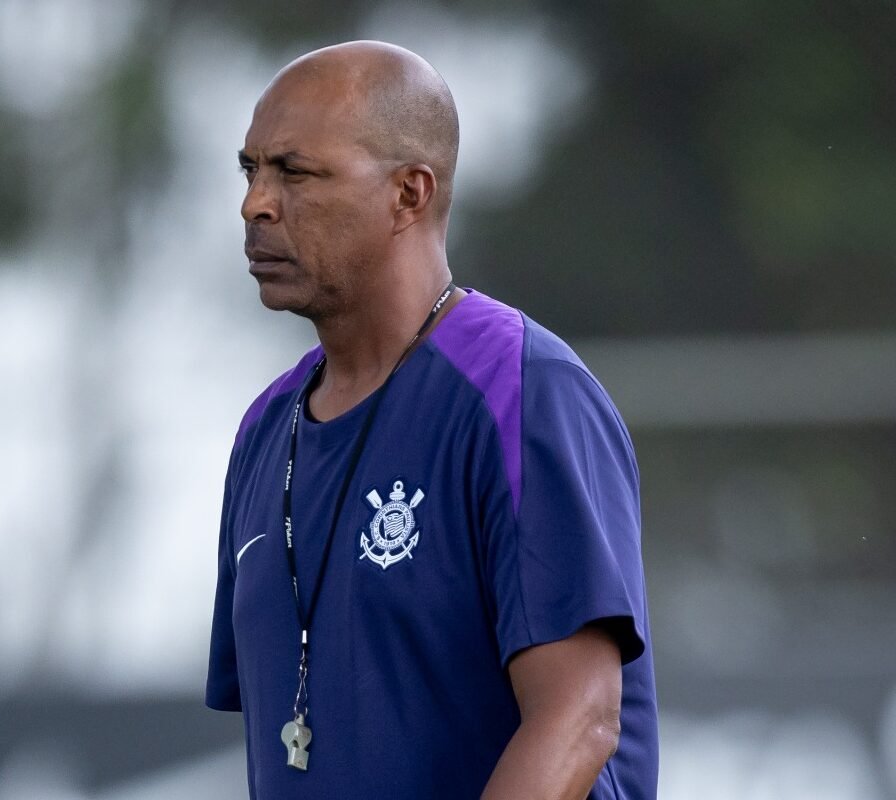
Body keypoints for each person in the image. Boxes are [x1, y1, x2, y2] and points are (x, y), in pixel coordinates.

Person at [206, 40, 657, 800]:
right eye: (250, 170)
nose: (256, 203)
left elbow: (579, 719)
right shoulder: (264, 430)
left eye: (295, 172)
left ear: (409, 194)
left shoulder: (522, 391)